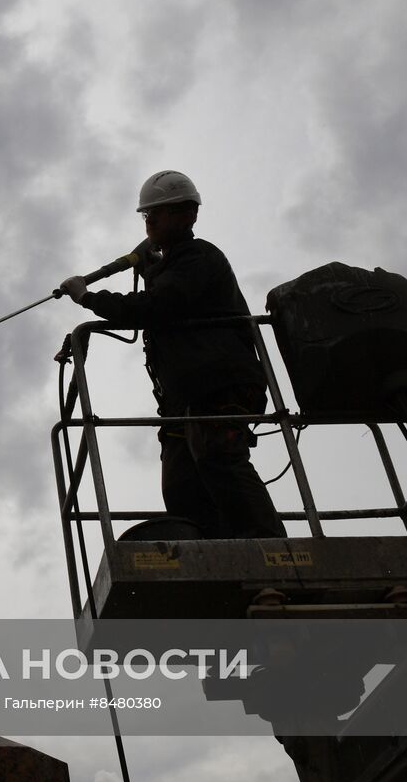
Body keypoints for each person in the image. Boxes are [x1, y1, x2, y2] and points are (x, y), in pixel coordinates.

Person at [60, 170, 285, 539]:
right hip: (185, 400)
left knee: (220, 460)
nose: (148, 223)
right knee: (181, 485)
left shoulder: (199, 258)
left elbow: (158, 305)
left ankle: (277, 559)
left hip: (222, 386)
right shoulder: (170, 266)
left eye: (155, 215)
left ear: (186, 215)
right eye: (146, 216)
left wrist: (89, 298)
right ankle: (219, 562)